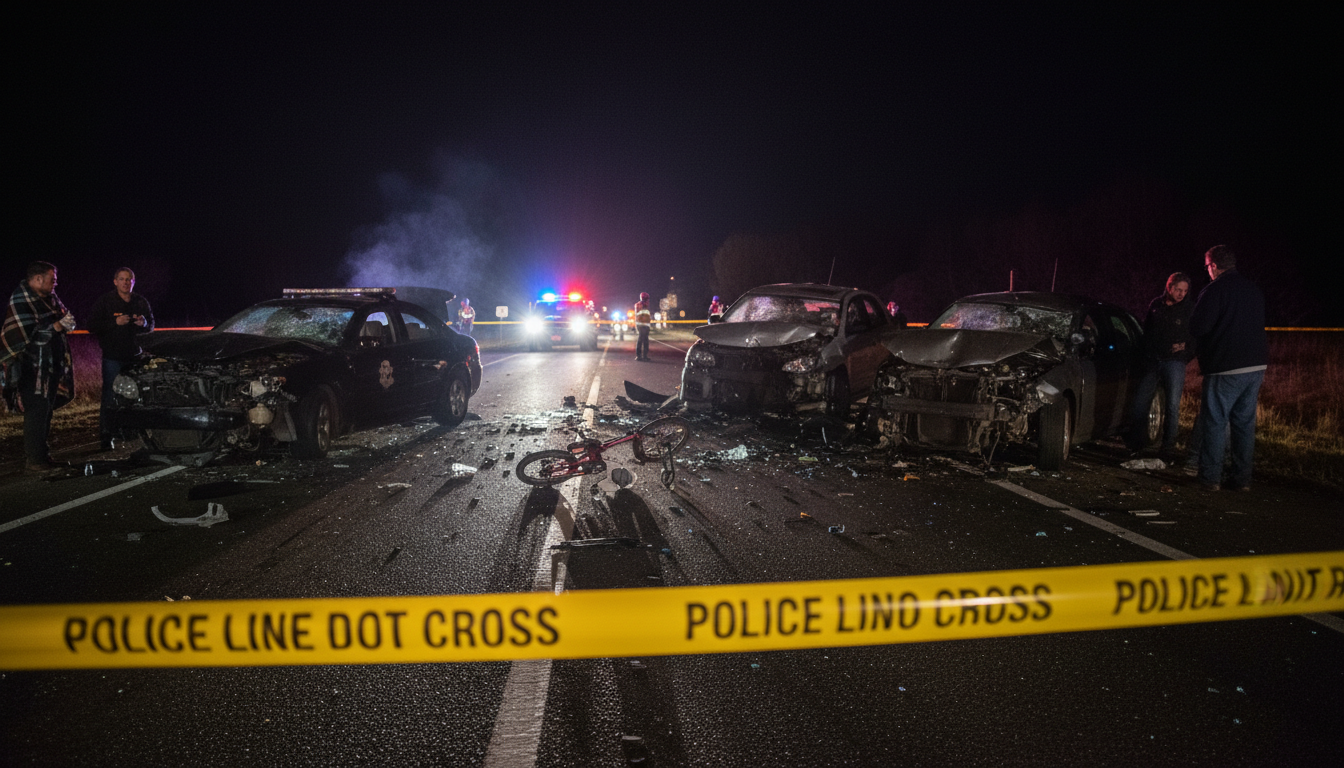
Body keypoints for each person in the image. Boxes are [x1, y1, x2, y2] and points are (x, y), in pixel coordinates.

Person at [1189, 246, 1268, 491]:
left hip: (1225, 364)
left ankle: (1210, 478)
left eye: (1207, 267)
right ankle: (1241, 478)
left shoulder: (1215, 290)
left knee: (1215, 421)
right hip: (1255, 364)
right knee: (1244, 423)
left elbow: (1199, 326)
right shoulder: (1253, 289)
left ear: (1213, 265)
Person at [0, 262, 75, 472]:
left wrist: (66, 323)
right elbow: (25, 338)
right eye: (52, 278)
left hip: (51, 365)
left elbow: (61, 318)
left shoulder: (50, 299)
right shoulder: (22, 299)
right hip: (32, 368)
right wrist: (57, 326)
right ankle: (34, 460)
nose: (55, 282)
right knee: (36, 411)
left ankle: (43, 456)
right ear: (38, 279)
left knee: (45, 412)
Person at [1125, 272, 1194, 458]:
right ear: (1169, 287)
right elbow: (1146, 332)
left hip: (1174, 362)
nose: (1181, 294)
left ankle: (1168, 448)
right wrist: (1144, 355)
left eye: (1185, 291)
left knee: (1172, 405)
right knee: (1140, 402)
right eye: (1178, 290)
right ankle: (1136, 445)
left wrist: (1185, 352)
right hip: (1153, 361)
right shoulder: (1156, 305)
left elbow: (1196, 338)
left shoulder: (1188, 309)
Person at [88, 267, 154, 450]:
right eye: (122, 279)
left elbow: (151, 325)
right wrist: (114, 323)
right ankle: (106, 436)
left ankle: (133, 432)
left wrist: (145, 323)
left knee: (137, 396)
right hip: (113, 357)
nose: (126, 282)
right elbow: (92, 326)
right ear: (115, 281)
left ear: (133, 282)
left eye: (129, 279)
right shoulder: (106, 301)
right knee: (110, 397)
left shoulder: (140, 302)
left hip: (135, 357)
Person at [633, 292, 652, 361]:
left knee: (645, 340)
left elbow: (648, 316)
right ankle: (639, 356)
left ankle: (644, 356)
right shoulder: (638, 305)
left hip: (646, 325)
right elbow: (638, 315)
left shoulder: (647, 305)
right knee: (641, 340)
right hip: (641, 325)